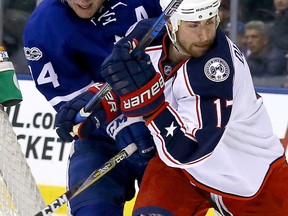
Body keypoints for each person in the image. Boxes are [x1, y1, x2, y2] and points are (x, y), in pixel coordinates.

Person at [100, 0, 288, 215]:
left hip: (251, 175)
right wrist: (101, 101)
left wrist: (151, 106)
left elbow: (188, 150)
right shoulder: (144, 39)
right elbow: (121, 75)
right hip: (180, 173)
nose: (204, 35)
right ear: (171, 24)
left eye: (210, 23)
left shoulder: (216, 70)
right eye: (193, 25)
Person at [23, 0, 162, 215]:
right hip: (101, 140)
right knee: (92, 210)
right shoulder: (45, 26)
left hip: (164, 127)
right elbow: (72, 103)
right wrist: (121, 123)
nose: (84, 0)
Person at [244, 20, 287, 87]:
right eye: (247, 37)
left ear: (265, 40)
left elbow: (268, 82)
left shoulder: (276, 59)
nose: (249, 41)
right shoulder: (250, 57)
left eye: (254, 37)